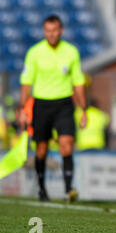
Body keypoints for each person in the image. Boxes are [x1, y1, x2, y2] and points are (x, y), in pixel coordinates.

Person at [18, 15, 87, 202]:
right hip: (41, 104)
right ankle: (42, 189)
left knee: (67, 144)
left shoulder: (71, 52)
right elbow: (26, 83)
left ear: (61, 31)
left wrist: (83, 109)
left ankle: (68, 190)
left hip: (64, 104)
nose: (51, 34)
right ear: (44, 31)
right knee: (41, 149)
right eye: (48, 31)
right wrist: (23, 110)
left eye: (54, 30)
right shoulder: (34, 52)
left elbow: (78, 83)